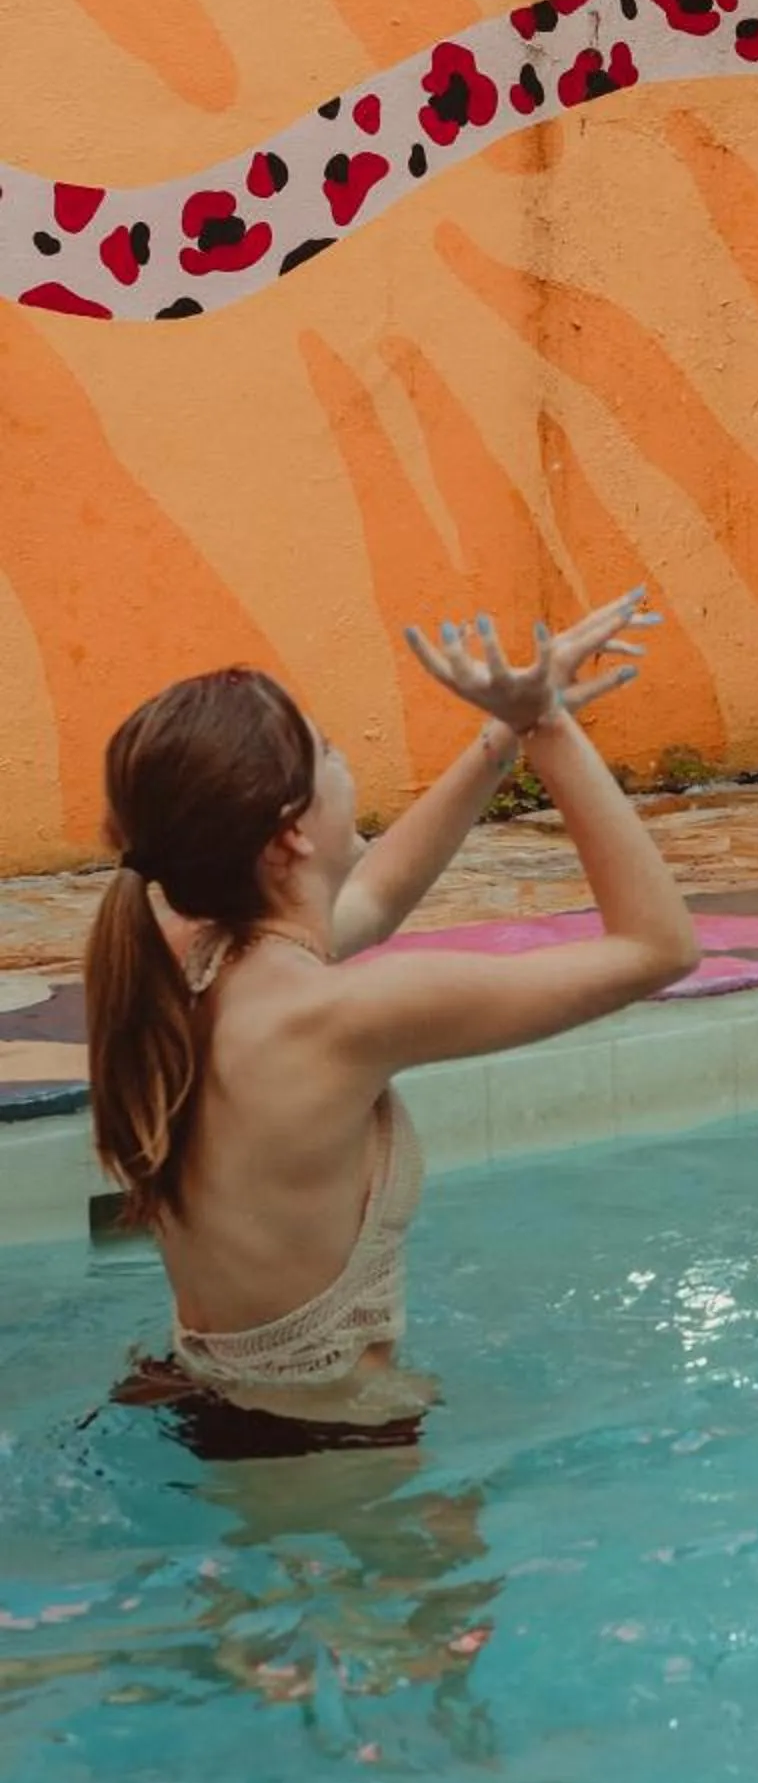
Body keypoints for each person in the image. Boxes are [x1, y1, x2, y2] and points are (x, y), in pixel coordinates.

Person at [87, 592, 699, 1454]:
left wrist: (503, 734)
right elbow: (657, 949)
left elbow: (370, 901)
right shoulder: (347, 1015)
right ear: (290, 835)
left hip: (194, 1389)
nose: (346, 763)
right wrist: (551, 729)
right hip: (327, 1444)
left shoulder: (191, 955)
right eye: (329, 751)